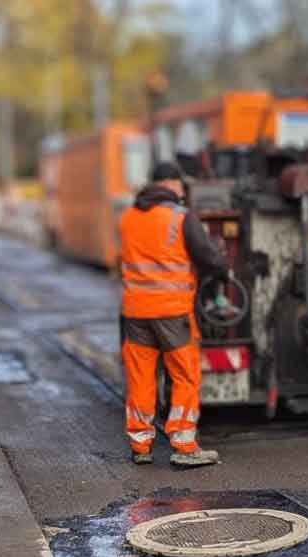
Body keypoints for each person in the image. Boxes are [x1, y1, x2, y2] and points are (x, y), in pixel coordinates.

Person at [118, 161, 229, 466]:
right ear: (174, 186)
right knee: (184, 375)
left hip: (135, 312)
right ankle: (183, 444)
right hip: (171, 313)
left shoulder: (128, 218)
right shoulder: (180, 217)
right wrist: (222, 269)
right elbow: (207, 256)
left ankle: (140, 445)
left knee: (141, 378)